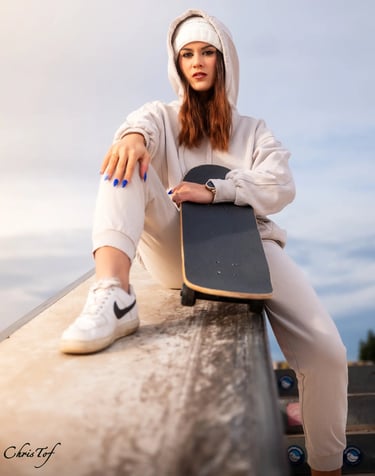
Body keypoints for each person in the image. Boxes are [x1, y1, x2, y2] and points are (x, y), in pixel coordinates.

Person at [60, 9, 347, 475]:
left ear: (224, 61)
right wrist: (133, 136)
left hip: (249, 245)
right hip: (182, 246)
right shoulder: (161, 116)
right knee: (125, 160)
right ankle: (113, 293)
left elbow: (279, 185)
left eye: (208, 52)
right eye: (187, 54)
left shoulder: (254, 129)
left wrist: (217, 189)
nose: (197, 62)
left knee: (328, 351)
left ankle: (328, 466)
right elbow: (141, 125)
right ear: (176, 64)